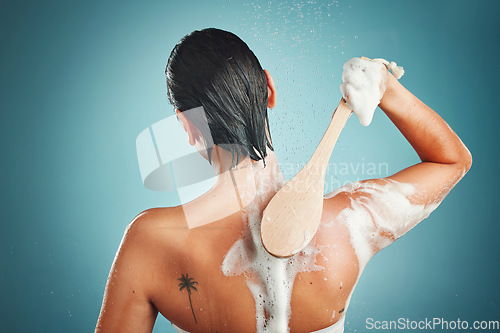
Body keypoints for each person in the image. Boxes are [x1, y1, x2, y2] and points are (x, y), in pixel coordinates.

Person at [95, 28, 471, 333]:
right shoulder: (349, 223)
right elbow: (452, 161)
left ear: (187, 127)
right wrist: (385, 86)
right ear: (269, 91)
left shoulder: (150, 243)